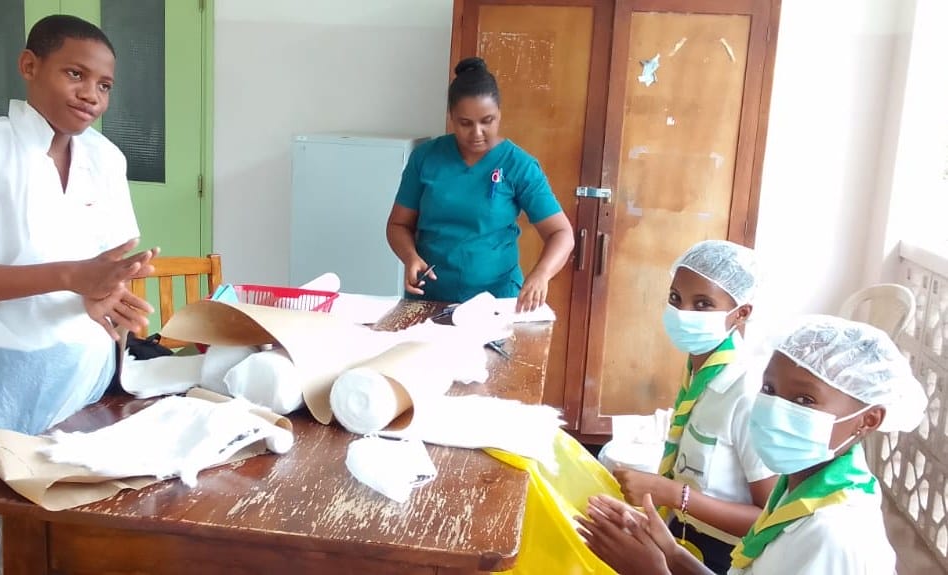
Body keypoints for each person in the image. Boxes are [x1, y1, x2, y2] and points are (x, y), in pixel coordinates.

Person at [0, 15, 156, 573]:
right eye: (75, 74)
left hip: (91, 381)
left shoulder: (105, 158)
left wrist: (111, 291)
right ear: (29, 66)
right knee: (17, 546)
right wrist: (73, 277)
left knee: (86, 540)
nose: (91, 96)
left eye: (104, 86)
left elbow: (116, 256)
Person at [577, 315, 928, 574]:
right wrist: (670, 553)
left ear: (868, 420)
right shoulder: (800, 491)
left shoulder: (833, 534)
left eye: (805, 400)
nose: (777, 407)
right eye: (770, 390)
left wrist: (651, 572)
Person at [610, 240, 777, 572]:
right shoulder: (701, 369)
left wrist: (673, 494)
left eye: (702, 304)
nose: (683, 313)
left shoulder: (745, 393)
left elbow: (768, 518)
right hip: (679, 530)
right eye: (676, 299)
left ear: (741, 313)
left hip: (724, 554)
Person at [385, 57, 574, 312]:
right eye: (465, 123)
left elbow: (561, 233)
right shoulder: (426, 158)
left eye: (487, 121)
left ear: (499, 115)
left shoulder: (519, 165)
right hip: (429, 299)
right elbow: (398, 224)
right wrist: (410, 257)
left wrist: (542, 274)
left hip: (496, 302)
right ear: (451, 117)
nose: (477, 133)